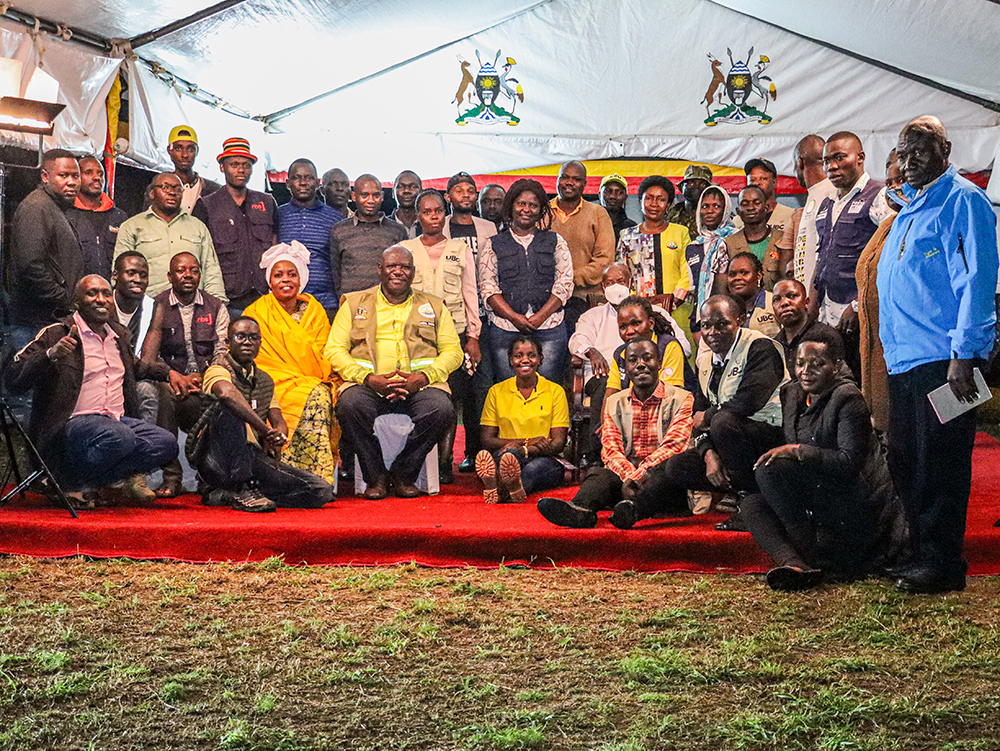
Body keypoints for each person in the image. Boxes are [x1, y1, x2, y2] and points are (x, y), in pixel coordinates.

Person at [878, 115, 998, 594]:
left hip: (946, 358)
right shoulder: (909, 209)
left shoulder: (963, 201)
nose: (908, 163)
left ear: (945, 150)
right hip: (904, 360)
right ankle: (920, 553)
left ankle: (943, 563)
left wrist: (965, 354)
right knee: (906, 458)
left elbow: (977, 281)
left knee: (942, 461)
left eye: (920, 151)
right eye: (903, 153)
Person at [741, 328, 908, 590]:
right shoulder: (792, 394)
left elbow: (848, 463)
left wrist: (797, 450)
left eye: (818, 364)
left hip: (855, 499)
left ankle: (816, 558)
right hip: (819, 487)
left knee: (771, 471)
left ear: (837, 365)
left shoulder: (849, 399)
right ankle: (797, 565)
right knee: (751, 504)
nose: (806, 371)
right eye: (800, 363)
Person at [5, 275, 177, 508]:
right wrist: (50, 356)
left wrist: (169, 373)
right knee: (120, 437)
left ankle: (94, 484)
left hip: (114, 421)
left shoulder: (119, 336)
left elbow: (135, 367)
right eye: (92, 293)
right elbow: (14, 377)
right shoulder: (57, 333)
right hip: (72, 425)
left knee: (164, 443)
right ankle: (68, 481)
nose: (101, 299)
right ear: (77, 301)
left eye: (106, 294)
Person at [640, 296, 786, 531]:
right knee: (677, 465)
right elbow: (696, 416)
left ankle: (750, 505)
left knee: (722, 421)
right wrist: (708, 453)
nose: (712, 332)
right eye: (706, 325)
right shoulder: (706, 360)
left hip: (770, 437)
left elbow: (748, 401)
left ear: (740, 320)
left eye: (722, 324)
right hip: (727, 440)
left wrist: (708, 418)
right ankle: (636, 508)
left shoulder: (760, 346)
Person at [326, 246, 462, 499]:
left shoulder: (433, 305)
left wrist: (423, 378)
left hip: (419, 387)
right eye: (391, 266)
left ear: (413, 272)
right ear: (380, 269)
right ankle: (375, 476)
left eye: (404, 267)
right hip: (369, 386)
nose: (397, 271)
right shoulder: (354, 303)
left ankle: (403, 473)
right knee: (349, 406)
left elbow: (453, 351)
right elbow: (335, 350)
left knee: (442, 409)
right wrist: (367, 378)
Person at [537, 338, 693, 529]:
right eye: (633, 360)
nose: (641, 365)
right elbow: (611, 450)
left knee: (667, 472)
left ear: (659, 363)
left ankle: (633, 511)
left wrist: (639, 475)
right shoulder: (614, 402)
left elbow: (675, 446)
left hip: (663, 485)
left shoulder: (682, 399)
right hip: (626, 481)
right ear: (626, 368)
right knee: (598, 474)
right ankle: (579, 510)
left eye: (647, 358)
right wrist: (629, 477)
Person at [196, 316, 334, 512]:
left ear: (260, 343)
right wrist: (264, 430)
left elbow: (278, 419)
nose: (247, 342)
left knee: (321, 490)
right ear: (227, 342)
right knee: (228, 407)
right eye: (240, 337)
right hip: (217, 458)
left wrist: (278, 436)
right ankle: (242, 487)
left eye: (253, 338)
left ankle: (230, 494)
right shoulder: (217, 369)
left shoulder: (264, 380)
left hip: (253, 456)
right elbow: (226, 393)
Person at [401, 190, 482, 484]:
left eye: (437, 211)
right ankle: (421, 459)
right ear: (418, 215)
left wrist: (473, 335)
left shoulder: (460, 249)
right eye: (426, 211)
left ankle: (445, 463)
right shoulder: (405, 249)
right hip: (417, 336)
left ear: (444, 213)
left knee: (452, 399)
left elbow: (470, 291)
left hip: (456, 333)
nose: (433, 216)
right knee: (423, 398)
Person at [244, 243, 341, 485]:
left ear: (301, 279)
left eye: (291, 274)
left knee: (321, 394)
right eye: (278, 275)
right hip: (272, 380)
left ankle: (317, 478)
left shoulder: (315, 310)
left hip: (311, 378)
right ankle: (280, 476)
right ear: (270, 281)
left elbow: (324, 351)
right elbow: (253, 358)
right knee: (314, 394)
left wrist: (305, 377)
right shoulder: (256, 312)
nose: (285, 280)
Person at [141, 252, 230, 497]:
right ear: (170, 276)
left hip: (206, 381)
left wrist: (206, 376)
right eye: (181, 270)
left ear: (200, 275)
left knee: (223, 396)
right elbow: (149, 354)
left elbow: (223, 349)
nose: (187, 275)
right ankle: (172, 476)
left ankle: (208, 476)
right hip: (171, 383)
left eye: (193, 270)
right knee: (162, 395)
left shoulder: (216, 306)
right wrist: (171, 375)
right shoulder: (155, 306)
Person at [479, 178, 574, 382]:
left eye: (533, 205)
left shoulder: (555, 241)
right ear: (511, 206)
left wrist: (540, 316)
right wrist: (514, 317)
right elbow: (488, 287)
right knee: (507, 389)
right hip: (505, 328)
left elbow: (564, 283)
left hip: (550, 327)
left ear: (541, 211)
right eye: (521, 203)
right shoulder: (493, 244)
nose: (526, 209)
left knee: (547, 388)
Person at [444, 172, 498, 472]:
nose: (466, 195)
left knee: (482, 386)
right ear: (449, 196)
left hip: (486, 317)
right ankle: (443, 457)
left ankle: (476, 452)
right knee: (454, 388)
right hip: (449, 319)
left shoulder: (488, 227)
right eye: (459, 190)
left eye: (470, 190)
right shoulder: (439, 227)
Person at [812, 131, 892, 327]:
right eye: (826, 161)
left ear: (860, 158)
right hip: (826, 310)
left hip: (861, 311)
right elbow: (820, 258)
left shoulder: (879, 195)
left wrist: (858, 305)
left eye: (839, 157)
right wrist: (812, 303)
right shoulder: (826, 204)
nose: (832, 166)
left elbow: (889, 258)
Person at [476, 336, 569, 503]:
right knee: (509, 457)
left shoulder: (556, 392)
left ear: (540, 359)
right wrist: (527, 442)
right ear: (510, 360)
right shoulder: (496, 392)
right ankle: (508, 487)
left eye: (531, 355)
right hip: (506, 454)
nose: (525, 360)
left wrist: (524, 450)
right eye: (518, 356)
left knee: (533, 470)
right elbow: (487, 440)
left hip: (544, 458)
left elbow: (557, 443)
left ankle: (500, 488)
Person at [852, 150, 905, 433]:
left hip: (909, 351)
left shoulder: (921, 223)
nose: (894, 188)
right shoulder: (887, 224)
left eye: (902, 180)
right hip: (874, 346)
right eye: (891, 182)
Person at [192, 137, 277, 313]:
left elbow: (276, 244)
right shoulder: (207, 205)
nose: (241, 170)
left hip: (265, 297)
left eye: (246, 165)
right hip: (226, 300)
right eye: (234, 164)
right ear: (222, 167)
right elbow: (199, 254)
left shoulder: (266, 202)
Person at [114, 172, 226, 300]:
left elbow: (210, 268)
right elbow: (120, 269)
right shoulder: (132, 226)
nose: (172, 193)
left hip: (191, 307)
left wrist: (217, 303)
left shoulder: (198, 227)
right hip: (147, 304)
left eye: (178, 189)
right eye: (165, 187)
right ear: (152, 193)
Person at [7, 149, 83, 334]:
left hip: (45, 319)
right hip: (35, 321)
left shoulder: (52, 207)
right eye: (63, 175)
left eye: (75, 176)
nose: (71, 182)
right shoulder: (36, 207)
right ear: (45, 176)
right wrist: (64, 299)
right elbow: (30, 266)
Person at [616, 175, 692, 334]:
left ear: (669, 204)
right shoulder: (627, 236)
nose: (654, 204)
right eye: (649, 198)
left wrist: (672, 300)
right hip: (637, 314)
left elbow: (688, 270)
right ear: (640, 201)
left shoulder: (680, 233)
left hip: (677, 309)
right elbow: (622, 275)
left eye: (661, 199)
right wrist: (636, 304)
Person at [549, 161, 616, 331]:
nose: (569, 183)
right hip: (546, 301)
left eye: (576, 179)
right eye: (565, 177)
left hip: (586, 301)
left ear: (585, 185)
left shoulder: (598, 213)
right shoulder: (543, 211)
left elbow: (605, 260)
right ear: (557, 180)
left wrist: (568, 280)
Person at [276, 158, 343, 316]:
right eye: (297, 177)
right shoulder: (278, 215)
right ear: (287, 183)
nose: (303, 182)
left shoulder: (334, 218)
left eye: (309, 178)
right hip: (286, 303)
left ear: (318, 183)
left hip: (325, 303)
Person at [329, 173, 407, 296]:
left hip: (387, 304)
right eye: (364, 195)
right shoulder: (339, 230)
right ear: (354, 196)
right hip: (351, 304)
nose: (370, 200)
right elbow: (335, 272)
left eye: (375, 195)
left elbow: (403, 269)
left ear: (382, 196)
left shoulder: (397, 231)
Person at [777, 135, 837, 290]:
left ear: (800, 162)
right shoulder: (816, 194)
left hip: (823, 296)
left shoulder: (832, 195)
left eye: (793, 165)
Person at [111, 251, 157, 423]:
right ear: (115, 275)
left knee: (147, 390)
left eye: (143, 275)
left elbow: (148, 361)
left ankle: (146, 442)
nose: (138, 279)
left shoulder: (152, 307)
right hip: (103, 374)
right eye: (131, 273)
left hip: (135, 374)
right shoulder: (102, 303)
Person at [66, 155, 127, 279]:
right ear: (76, 178)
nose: (96, 178)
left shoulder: (119, 217)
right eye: (88, 172)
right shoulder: (64, 214)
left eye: (100, 174)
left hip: (110, 293)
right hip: (75, 293)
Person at [688, 185, 737, 334]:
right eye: (705, 206)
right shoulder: (693, 247)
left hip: (730, 318)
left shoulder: (735, 240)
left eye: (716, 206)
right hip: (701, 320)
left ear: (726, 210)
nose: (710, 211)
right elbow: (694, 288)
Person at [771, 278, 841, 378]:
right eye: (776, 299)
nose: (784, 303)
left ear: (806, 302)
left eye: (792, 296)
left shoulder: (825, 337)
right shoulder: (774, 345)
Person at [723, 186, 784, 292]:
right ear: (738, 211)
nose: (751, 207)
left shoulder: (782, 239)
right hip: (741, 306)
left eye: (756, 203)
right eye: (745, 204)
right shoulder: (729, 244)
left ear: (766, 208)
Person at [166, 124, 221, 215]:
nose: (185, 155)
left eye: (190, 149)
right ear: (169, 150)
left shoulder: (213, 190)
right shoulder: (159, 187)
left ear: (197, 151)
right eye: (178, 148)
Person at [726, 253, 780, 338]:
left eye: (744, 273)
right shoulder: (723, 309)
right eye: (732, 274)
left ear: (758, 276)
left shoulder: (774, 302)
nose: (737, 278)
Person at [734, 158, 794, 233]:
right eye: (752, 180)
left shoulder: (791, 216)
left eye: (763, 179)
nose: (757, 183)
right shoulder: (737, 221)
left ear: (774, 182)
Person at [667, 164, 712, 239]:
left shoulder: (719, 215)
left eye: (702, 184)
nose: (696, 187)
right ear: (682, 187)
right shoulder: (669, 215)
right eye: (691, 183)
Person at [599, 173, 636, 243]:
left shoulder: (632, 228)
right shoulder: (589, 223)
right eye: (608, 191)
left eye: (619, 192)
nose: (613, 196)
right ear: (599, 195)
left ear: (625, 197)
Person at [389, 170, 422, 238]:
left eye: (413, 187)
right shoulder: (383, 226)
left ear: (421, 192)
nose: (407, 191)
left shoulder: (429, 225)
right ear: (393, 193)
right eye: (401, 187)